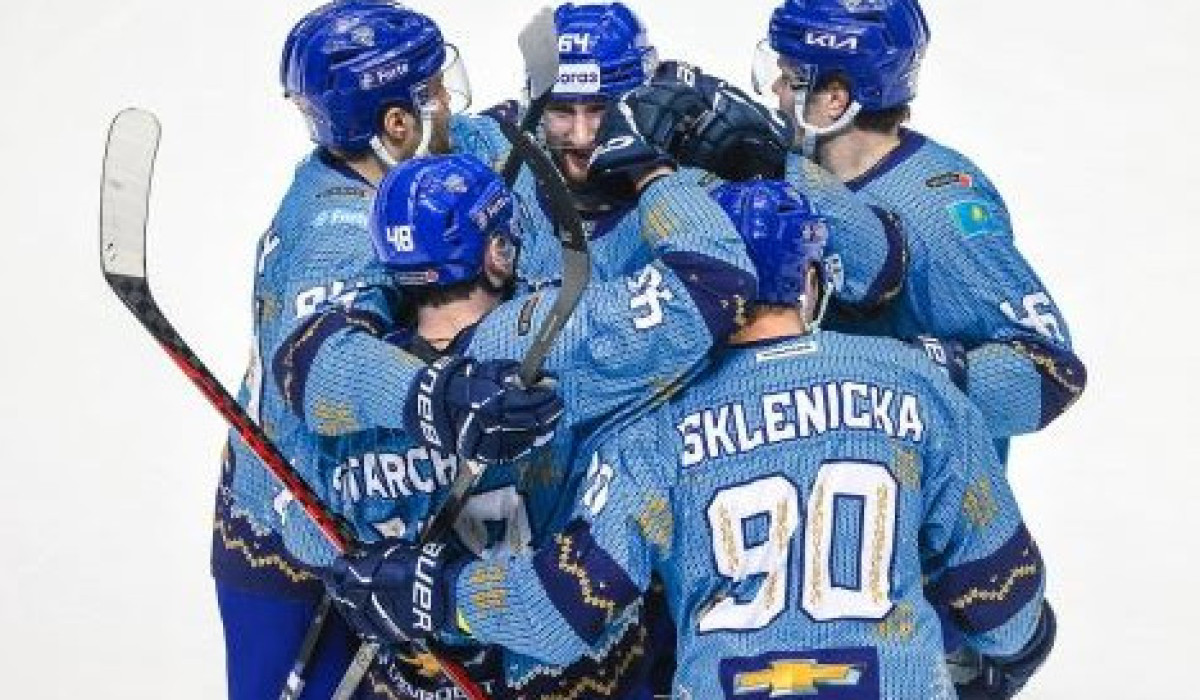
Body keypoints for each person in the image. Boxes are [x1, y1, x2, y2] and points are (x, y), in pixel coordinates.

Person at [324, 179, 1057, 699]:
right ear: (808, 280)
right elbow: (1003, 592)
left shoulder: (650, 427)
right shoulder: (917, 385)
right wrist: (1017, 649)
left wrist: (435, 593)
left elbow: (558, 612)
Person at [279, 104, 754, 695]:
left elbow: (300, 527)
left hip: (417, 676)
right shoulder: (548, 335)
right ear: (498, 253)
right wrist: (653, 175)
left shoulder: (350, 392)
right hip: (568, 669)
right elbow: (716, 281)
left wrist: (384, 577)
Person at [211, 2, 559, 697]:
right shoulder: (331, 229)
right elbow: (318, 367)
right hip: (290, 532)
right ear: (397, 123)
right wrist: (437, 395)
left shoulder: (426, 159)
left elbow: (497, 147)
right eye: (433, 91)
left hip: (389, 506)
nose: (447, 101)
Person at [750, 0, 1085, 444]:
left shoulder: (938, 213)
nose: (776, 90)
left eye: (791, 78)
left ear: (835, 100)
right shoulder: (792, 167)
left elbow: (1050, 373)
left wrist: (885, 382)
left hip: (914, 483)